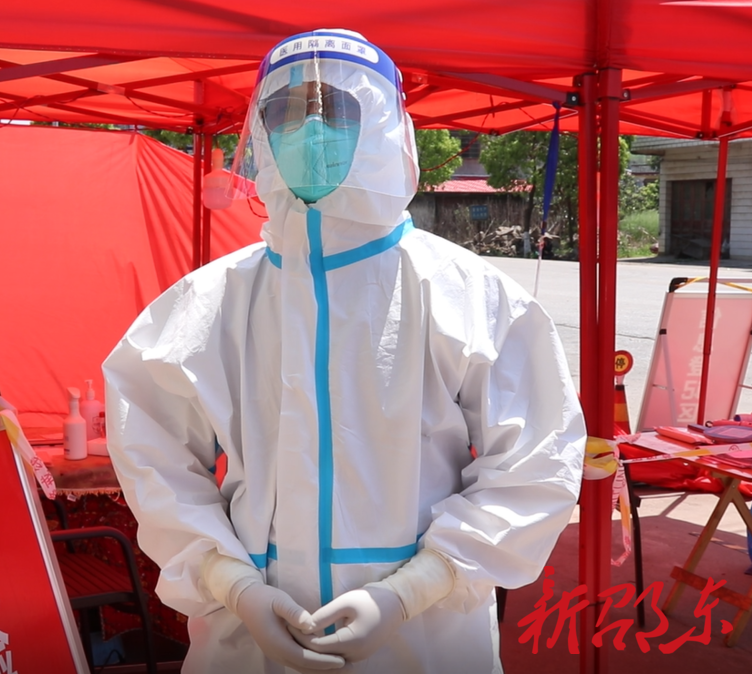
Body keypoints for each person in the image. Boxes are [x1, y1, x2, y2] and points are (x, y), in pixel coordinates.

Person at [103, 29, 586, 674]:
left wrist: (415, 588)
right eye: (287, 112)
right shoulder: (208, 303)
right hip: (247, 642)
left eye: (335, 107)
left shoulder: (470, 295)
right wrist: (230, 581)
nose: (311, 129)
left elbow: (536, 462)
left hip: (424, 638)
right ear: (261, 134)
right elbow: (152, 455)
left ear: (386, 128)